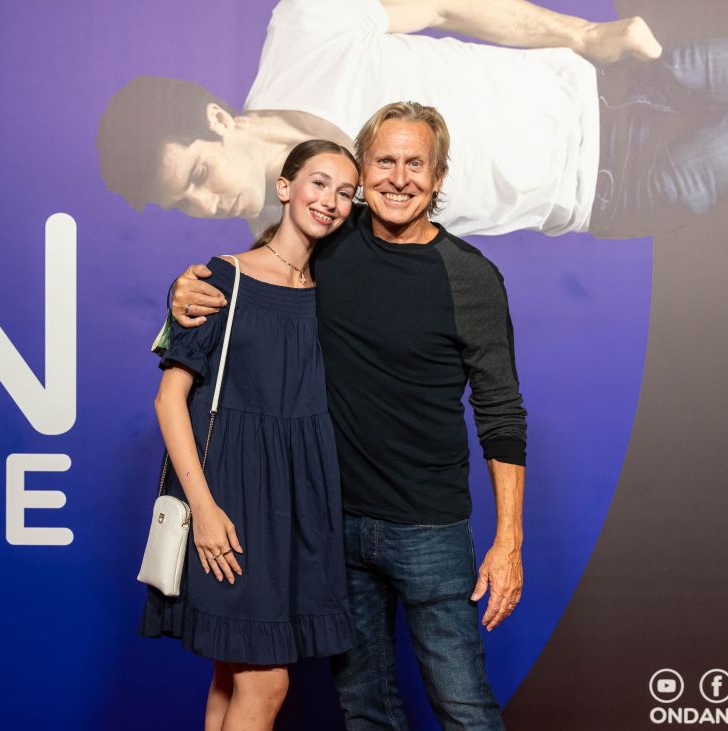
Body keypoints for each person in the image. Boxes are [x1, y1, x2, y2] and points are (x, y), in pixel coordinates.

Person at [172, 102, 526, 729]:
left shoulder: (470, 278)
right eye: (384, 162)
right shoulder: (329, 240)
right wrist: (186, 289)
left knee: (463, 704)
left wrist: (508, 541)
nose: (399, 178)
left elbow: (501, 415)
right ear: (363, 171)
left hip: (429, 527)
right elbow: (255, 275)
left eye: (416, 164)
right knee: (364, 707)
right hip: (331, 523)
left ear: (439, 176)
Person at [98, 0, 728, 240]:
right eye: (184, 204)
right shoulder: (292, 247)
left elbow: (444, 4)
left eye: (198, 175)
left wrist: (587, 33)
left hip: (612, 80)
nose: (205, 205)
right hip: (615, 189)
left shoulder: (303, 32)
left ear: (218, 119)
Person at [145, 139, 360, 731]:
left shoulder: (334, 291)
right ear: (285, 187)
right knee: (265, 682)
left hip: (300, 502)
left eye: (346, 192)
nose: (331, 200)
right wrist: (205, 510)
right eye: (319, 183)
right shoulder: (222, 278)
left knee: (230, 678)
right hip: (233, 499)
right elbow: (169, 400)